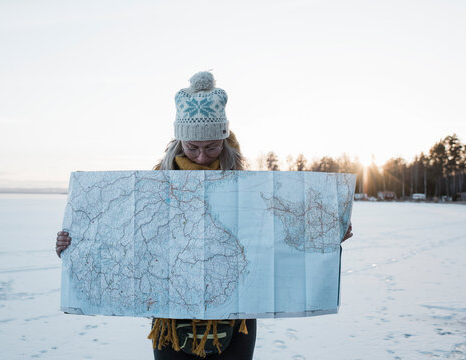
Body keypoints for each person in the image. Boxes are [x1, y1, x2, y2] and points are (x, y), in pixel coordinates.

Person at [55, 71, 354, 359]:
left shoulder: (250, 187)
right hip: (171, 321)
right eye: (192, 147)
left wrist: (327, 231)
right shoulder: (152, 186)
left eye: (211, 147)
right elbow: (125, 243)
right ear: (178, 142)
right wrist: (75, 247)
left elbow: (275, 243)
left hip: (235, 318)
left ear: (223, 139)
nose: (201, 155)